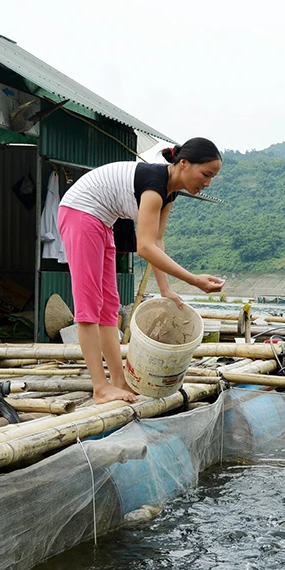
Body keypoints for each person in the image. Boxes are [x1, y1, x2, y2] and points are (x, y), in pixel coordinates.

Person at [58, 137, 226, 403]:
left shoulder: (169, 192)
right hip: (81, 213)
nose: (207, 182)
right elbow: (145, 247)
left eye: (212, 177)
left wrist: (165, 289)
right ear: (183, 163)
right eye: (205, 174)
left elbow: (157, 241)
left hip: (102, 223)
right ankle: (100, 388)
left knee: (109, 307)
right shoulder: (154, 186)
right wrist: (193, 280)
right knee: (89, 308)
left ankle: (118, 381)